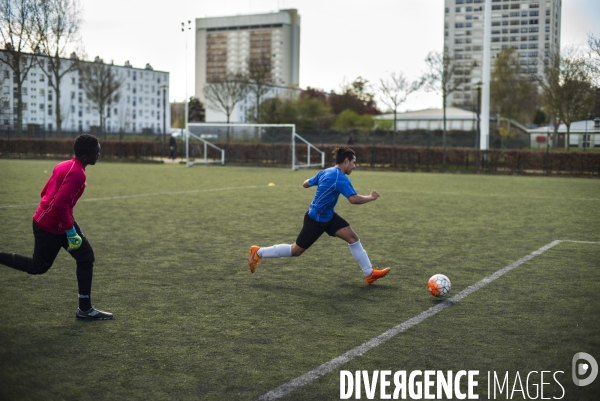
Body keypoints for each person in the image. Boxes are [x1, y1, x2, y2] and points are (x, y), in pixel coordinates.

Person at [0, 134, 113, 320]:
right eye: (97, 151)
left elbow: (45, 192)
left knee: (85, 257)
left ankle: (85, 310)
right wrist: (70, 231)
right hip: (50, 225)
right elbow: (59, 204)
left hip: (59, 220)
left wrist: (66, 223)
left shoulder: (65, 165)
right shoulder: (77, 173)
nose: (99, 153)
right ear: (85, 157)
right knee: (38, 266)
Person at [248, 147, 390, 284]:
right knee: (296, 250)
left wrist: (321, 185)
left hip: (328, 216)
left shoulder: (326, 171)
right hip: (315, 220)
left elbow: (305, 184)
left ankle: (369, 274)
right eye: (353, 162)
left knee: (352, 238)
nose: (355, 166)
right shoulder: (339, 178)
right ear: (346, 161)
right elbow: (353, 199)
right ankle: (258, 252)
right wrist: (371, 198)